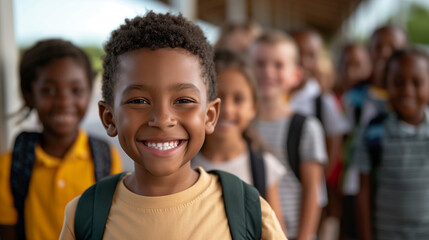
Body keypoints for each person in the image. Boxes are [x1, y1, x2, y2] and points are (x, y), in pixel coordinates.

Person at [59, 12, 286, 239]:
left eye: (183, 101)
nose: (162, 118)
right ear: (109, 118)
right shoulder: (84, 216)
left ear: (210, 116)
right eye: (139, 101)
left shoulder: (248, 212)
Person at [0, 39, 123, 240]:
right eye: (49, 90)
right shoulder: (9, 167)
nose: (64, 102)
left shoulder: (107, 158)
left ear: (89, 93)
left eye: (76, 90)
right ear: (29, 95)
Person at [192, 48, 287, 231]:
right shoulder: (182, 164)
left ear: (253, 107)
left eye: (238, 99)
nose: (226, 109)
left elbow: (276, 232)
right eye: (216, 97)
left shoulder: (263, 166)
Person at [251, 30, 327, 240]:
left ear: (296, 76)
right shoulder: (240, 125)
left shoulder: (307, 128)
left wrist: (304, 236)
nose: (267, 71)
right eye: (259, 63)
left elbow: (313, 191)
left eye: (278, 65)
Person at [354, 48, 429, 239]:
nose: (407, 91)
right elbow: (363, 191)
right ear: (386, 85)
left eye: (417, 83)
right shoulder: (373, 132)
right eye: (398, 83)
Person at [291, 28, 349, 240]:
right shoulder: (277, 98)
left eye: (311, 55)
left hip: (314, 186)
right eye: (298, 54)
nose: (304, 62)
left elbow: (335, 142)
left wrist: (322, 177)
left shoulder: (323, 101)